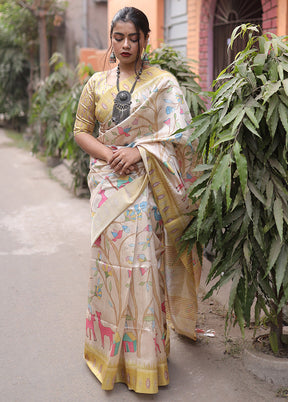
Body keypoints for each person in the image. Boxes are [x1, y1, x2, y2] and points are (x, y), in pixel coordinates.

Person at [74, 6, 201, 394]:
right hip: (107, 183)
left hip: (146, 184)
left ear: (146, 39)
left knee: (142, 264)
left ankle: (146, 358)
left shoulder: (164, 84)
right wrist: (112, 154)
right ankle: (105, 351)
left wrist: (140, 152)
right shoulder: (96, 83)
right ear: (110, 40)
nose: (126, 44)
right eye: (119, 37)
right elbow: (81, 131)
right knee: (108, 268)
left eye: (134, 37)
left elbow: (181, 132)